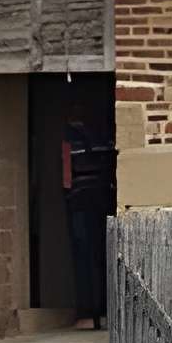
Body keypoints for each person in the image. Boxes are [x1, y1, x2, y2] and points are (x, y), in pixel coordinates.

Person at [59, 104, 116, 330]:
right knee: (103, 255)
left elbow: (65, 176)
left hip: (79, 203)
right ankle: (102, 311)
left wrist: (67, 195)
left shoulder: (68, 137)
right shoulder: (105, 134)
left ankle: (87, 313)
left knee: (83, 257)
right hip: (103, 198)